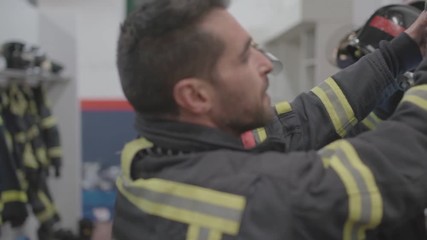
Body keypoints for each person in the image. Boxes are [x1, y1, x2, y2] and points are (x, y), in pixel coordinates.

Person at [113, 0, 427, 239]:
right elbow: (385, 176)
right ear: (195, 97)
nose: (266, 64)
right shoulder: (250, 195)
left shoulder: (151, 154)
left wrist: (402, 52)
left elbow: (305, 119)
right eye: (245, 56)